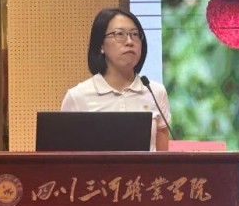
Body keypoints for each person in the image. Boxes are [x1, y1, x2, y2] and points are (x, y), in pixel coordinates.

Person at [61, 8, 171, 151]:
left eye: (135, 34)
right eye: (119, 34)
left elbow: (163, 159)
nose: (130, 42)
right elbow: (65, 157)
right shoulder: (77, 97)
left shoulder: (156, 92)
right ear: (101, 45)